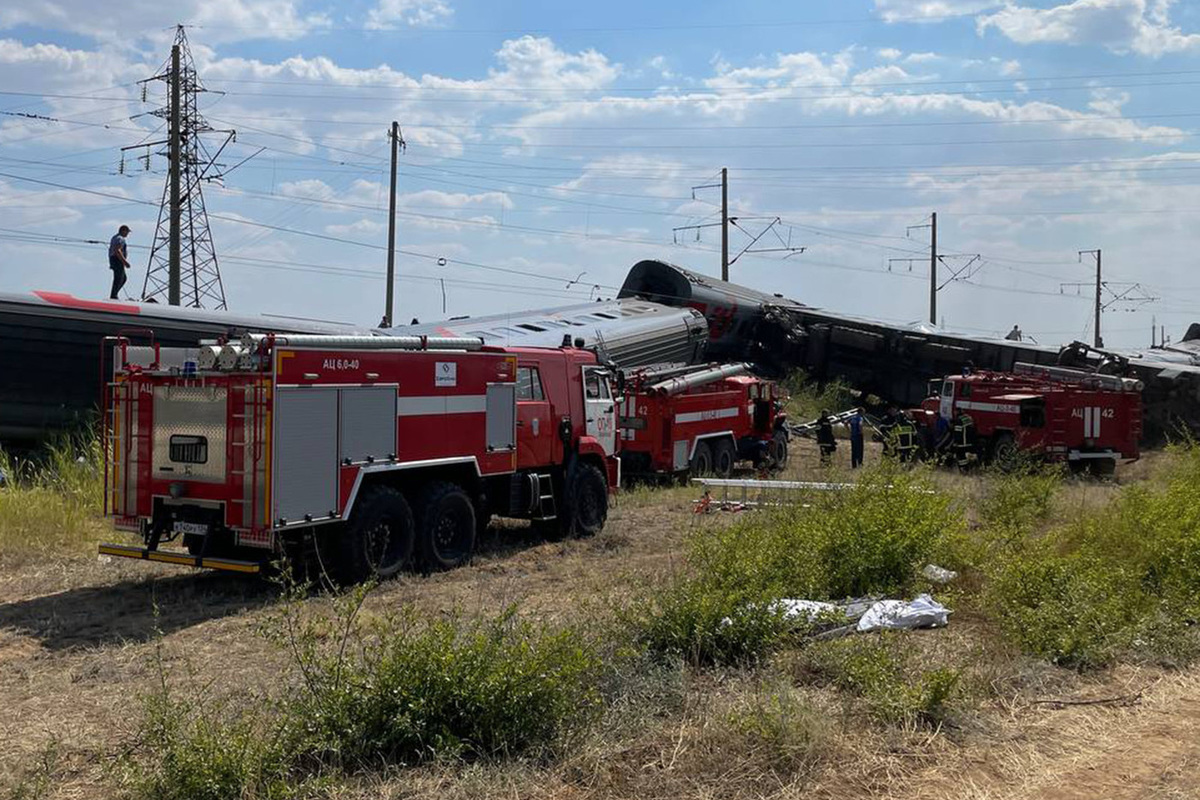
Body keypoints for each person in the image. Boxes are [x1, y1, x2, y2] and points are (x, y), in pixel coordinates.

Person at [108, 225, 132, 300]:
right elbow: (117, 250)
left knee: (123, 278)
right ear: (123, 231)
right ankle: (113, 296)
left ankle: (114, 294)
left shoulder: (115, 237)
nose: (127, 234)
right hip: (117, 259)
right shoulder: (120, 238)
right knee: (118, 278)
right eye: (127, 232)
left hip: (113, 259)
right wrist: (125, 262)